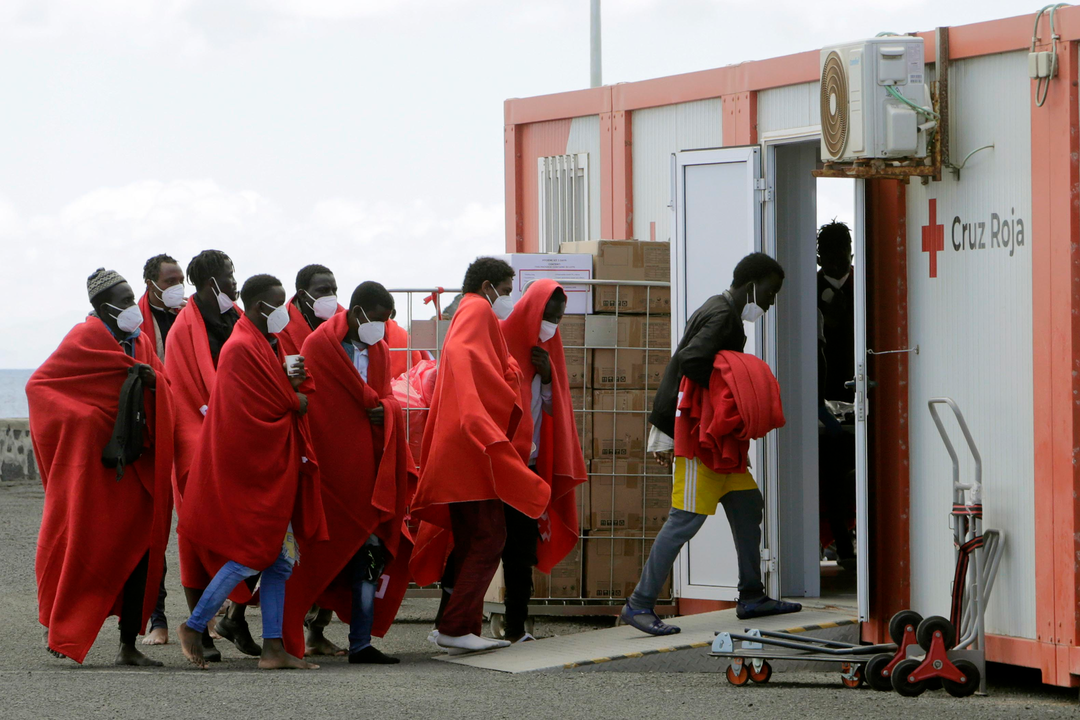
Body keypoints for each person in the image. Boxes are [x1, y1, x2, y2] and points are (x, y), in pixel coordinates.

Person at [622, 252, 801, 635]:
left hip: (714, 438)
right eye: (769, 292)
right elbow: (692, 361)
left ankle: (752, 595)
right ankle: (639, 604)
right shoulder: (723, 315)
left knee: (749, 505)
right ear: (751, 285)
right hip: (698, 436)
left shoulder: (719, 309)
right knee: (684, 521)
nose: (769, 302)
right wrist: (733, 391)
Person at [176, 274, 327, 670]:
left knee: (278, 562)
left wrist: (290, 390)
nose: (284, 312)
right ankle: (194, 624)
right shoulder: (242, 347)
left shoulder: (261, 342)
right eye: (279, 305)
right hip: (252, 474)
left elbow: (276, 395)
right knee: (252, 554)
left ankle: (272, 648)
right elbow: (259, 411)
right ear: (261, 307)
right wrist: (293, 397)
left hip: (269, 470)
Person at [27, 269, 174, 666]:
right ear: (102, 306)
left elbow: (165, 384)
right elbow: (41, 387)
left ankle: (129, 645)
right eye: (124, 300)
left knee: (141, 552)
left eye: (132, 299)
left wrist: (153, 382)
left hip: (136, 468)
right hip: (91, 469)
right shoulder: (84, 338)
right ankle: (62, 629)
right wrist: (88, 422)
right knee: (76, 542)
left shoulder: (140, 341)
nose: (131, 307)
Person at [409, 258, 549, 654]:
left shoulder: (468, 310)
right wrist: (502, 395)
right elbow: (468, 361)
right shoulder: (476, 309)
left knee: (475, 538)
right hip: (472, 447)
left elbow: (471, 362)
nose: (508, 298)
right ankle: (455, 626)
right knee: (489, 537)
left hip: (464, 447)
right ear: (488, 286)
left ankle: (457, 625)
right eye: (505, 290)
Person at [281, 281, 416, 664]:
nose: (382, 327)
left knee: (371, 554)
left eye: (388, 321)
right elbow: (317, 408)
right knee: (315, 557)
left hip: (369, 471)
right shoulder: (319, 346)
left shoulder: (380, 349)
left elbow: (386, 396)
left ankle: (360, 643)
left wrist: (386, 411)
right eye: (378, 318)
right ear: (356, 313)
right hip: (330, 472)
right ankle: (288, 636)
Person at [165, 249, 255, 661]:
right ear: (210, 282)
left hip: (236, 431)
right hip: (197, 437)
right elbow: (184, 386)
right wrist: (215, 421)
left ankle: (234, 616)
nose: (235, 282)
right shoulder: (185, 327)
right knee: (196, 533)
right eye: (229, 275)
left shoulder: (236, 316)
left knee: (256, 531)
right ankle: (197, 626)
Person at [499, 280, 587, 643]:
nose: (553, 323)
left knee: (521, 551)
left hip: (529, 464)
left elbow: (556, 409)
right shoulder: (502, 340)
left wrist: (549, 377)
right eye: (549, 315)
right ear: (533, 310)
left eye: (559, 317)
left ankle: (516, 628)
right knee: (485, 546)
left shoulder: (550, 347)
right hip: (499, 462)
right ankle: (454, 625)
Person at [136, 252, 187, 646]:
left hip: (188, 430)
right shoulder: (137, 325)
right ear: (150, 283)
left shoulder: (192, 318)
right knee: (153, 530)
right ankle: (156, 617)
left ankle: (205, 616)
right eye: (170, 280)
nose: (177, 287)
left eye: (180, 278)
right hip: (152, 435)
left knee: (196, 523)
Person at [817, 221, 855, 403]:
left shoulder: (867, 284)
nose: (836, 266)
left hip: (860, 380)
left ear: (851, 256)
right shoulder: (808, 289)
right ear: (819, 259)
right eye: (829, 260)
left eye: (842, 259)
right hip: (821, 383)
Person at [279, 264, 343, 357]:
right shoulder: (280, 326)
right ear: (303, 295)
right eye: (324, 290)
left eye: (334, 291)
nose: (332, 296)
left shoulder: (345, 322)